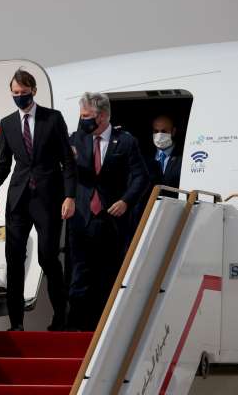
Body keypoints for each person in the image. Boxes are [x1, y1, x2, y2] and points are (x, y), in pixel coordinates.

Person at [0, 69, 77, 331]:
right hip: (19, 199)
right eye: (15, 93)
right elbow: (4, 163)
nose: (19, 97)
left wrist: (70, 196)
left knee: (48, 257)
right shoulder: (7, 123)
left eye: (23, 93)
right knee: (14, 259)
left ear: (33, 91)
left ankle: (61, 316)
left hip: (48, 199)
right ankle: (16, 324)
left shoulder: (52, 119)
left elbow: (67, 161)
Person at [67, 92, 149, 331]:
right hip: (82, 219)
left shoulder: (125, 141)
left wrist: (126, 201)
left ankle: (104, 330)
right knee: (79, 277)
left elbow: (141, 177)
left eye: (86, 116)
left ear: (101, 116)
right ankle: (76, 330)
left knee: (108, 277)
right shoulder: (76, 139)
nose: (82, 120)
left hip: (112, 220)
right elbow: (65, 172)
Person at [148, 115, 183, 192]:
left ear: (173, 132)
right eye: (156, 131)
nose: (159, 135)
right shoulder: (145, 156)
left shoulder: (183, 156)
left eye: (163, 131)